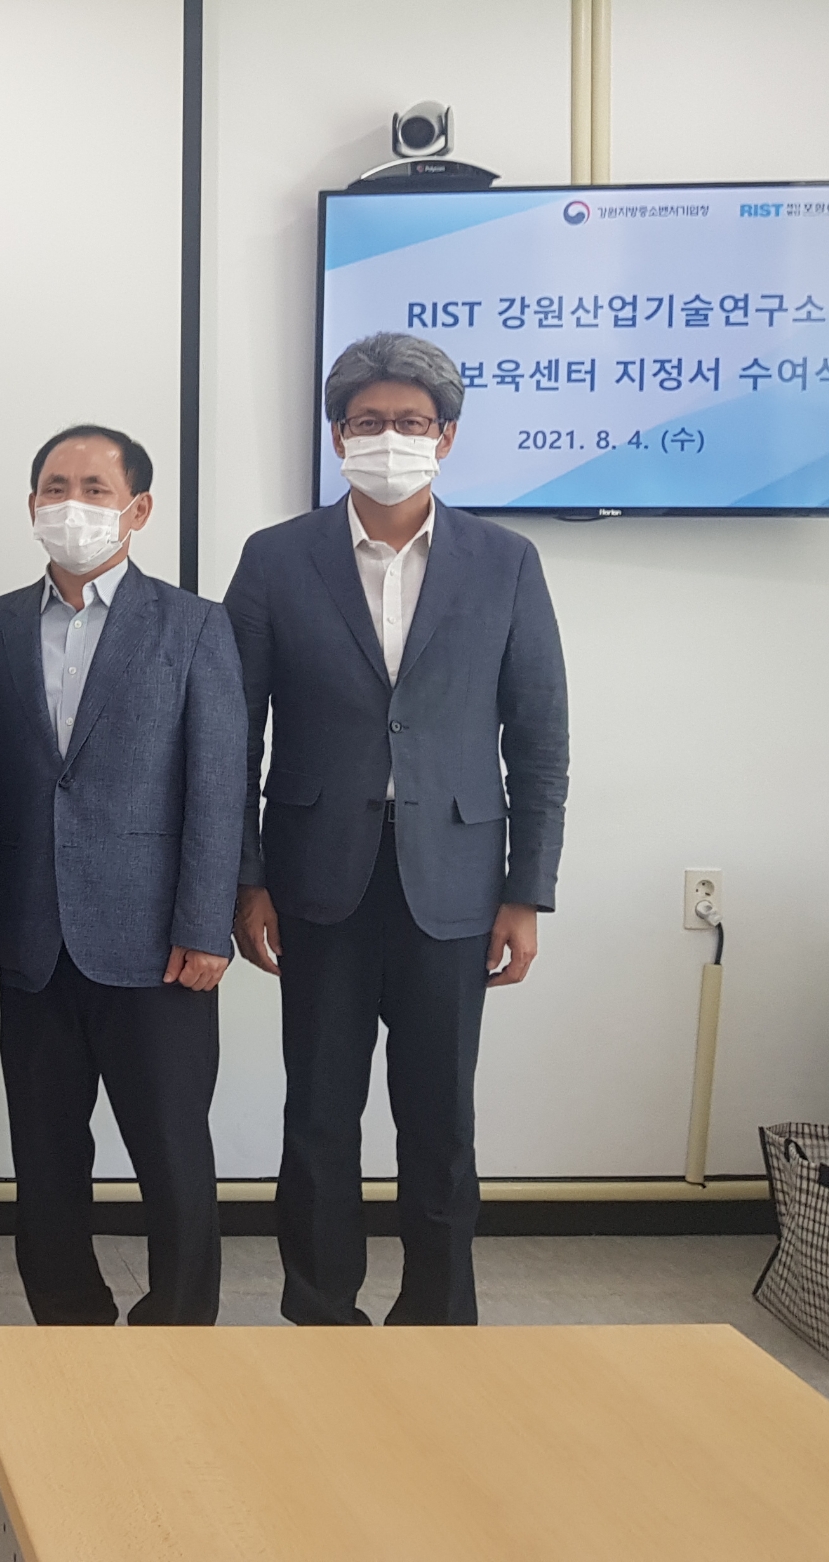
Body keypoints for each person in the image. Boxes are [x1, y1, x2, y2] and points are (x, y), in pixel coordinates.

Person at [224, 332, 569, 1328]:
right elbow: (232, 734)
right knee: (319, 1119)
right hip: (314, 880)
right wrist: (245, 877)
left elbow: (539, 738)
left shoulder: (505, 563)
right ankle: (321, 1313)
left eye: (410, 422)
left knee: (440, 1123)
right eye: (368, 421)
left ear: (445, 437)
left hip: (455, 884)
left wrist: (527, 892)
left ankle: (438, 1322)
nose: (389, 438)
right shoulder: (275, 558)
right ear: (338, 436)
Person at [0, 424, 243, 1328]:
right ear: (31, 505)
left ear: (139, 509)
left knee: (172, 1150)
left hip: (156, 942)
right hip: (31, 936)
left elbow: (219, 786)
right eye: (55, 487)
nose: (72, 505)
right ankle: (69, 1324)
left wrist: (206, 926)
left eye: (95, 489)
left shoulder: (194, 625)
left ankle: (180, 1326)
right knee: (45, 1155)